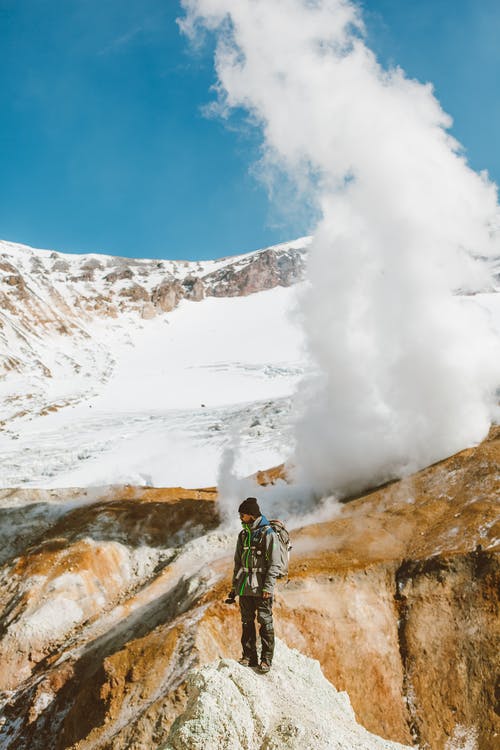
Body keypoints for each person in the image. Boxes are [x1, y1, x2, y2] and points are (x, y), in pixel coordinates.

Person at [226, 497, 281, 673]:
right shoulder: (243, 535)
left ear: (251, 514)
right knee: (246, 622)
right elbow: (238, 564)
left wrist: (268, 587)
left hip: (262, 587)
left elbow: (274, 563)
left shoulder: (268, 534)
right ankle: (249, 657)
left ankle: (266, 660)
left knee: (265, 622)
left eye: (242, 514)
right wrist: (235, 588)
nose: (240, 517)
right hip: (244, 587)